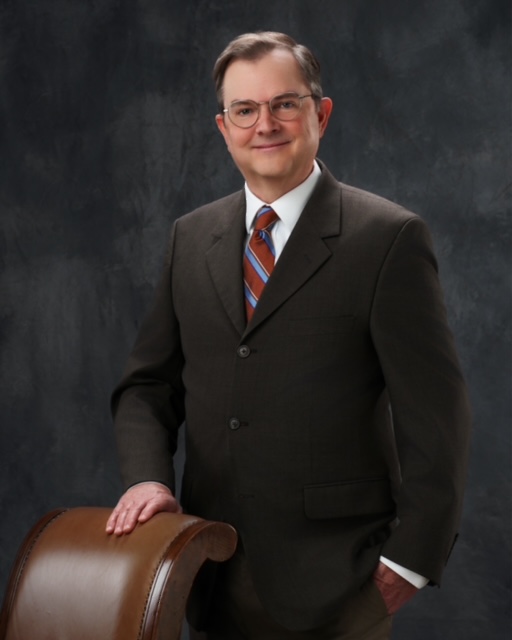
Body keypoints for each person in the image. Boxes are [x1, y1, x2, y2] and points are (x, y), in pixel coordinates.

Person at [106, 31, 471, 640]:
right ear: (223, 128)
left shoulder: (387, 239)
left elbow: (436, 416)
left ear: (320, 114)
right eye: (244, 110)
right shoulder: (190, 238)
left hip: (340, 581)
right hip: (207, 569)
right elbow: (147, 385)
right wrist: (148, 478)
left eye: (285, 104)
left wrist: (410, 560)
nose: (265, 124)